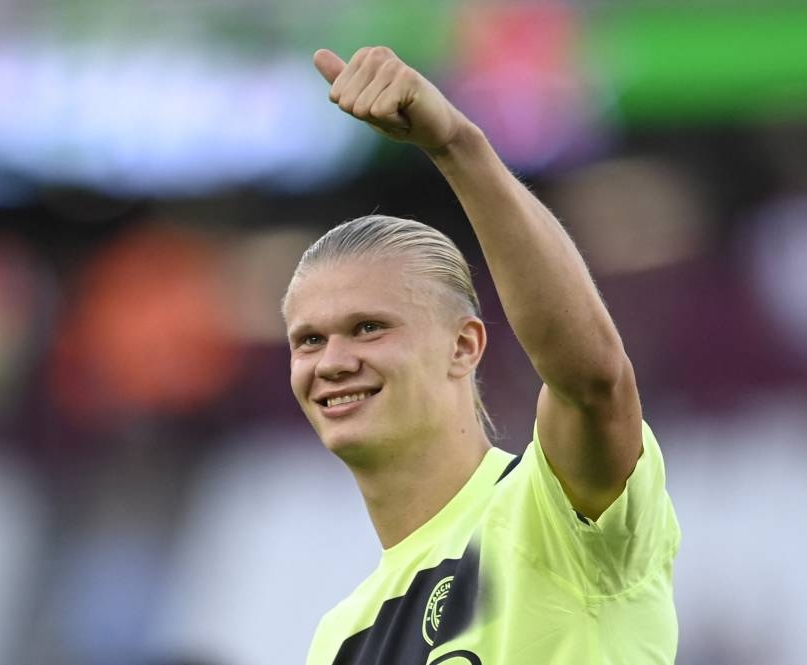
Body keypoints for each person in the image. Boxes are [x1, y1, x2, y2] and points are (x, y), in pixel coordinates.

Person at [282, 46, 680, 665]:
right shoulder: (339, 639)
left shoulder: (551, 510)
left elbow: (593, 380)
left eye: (368, 328)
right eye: (309, 339)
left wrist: (456, 147)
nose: (332, 360)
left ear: (463, 346)